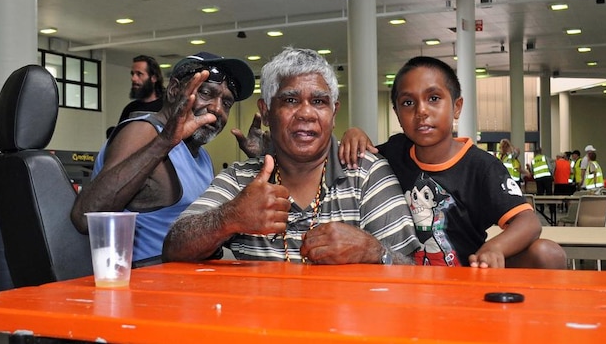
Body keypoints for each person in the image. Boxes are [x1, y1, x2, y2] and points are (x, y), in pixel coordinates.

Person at [162, 47, 418, 265]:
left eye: (319, 102)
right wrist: (230, 218)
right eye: (291, 100)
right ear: (265, 111)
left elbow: (413, 271)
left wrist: (374, 251)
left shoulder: (366, 174)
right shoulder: (242, 180)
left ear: (333, 112)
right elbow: (174, 248)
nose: (306, 114)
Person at [338, 56, 566, 269]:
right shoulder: (395, 152)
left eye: (434, 98)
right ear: (396, 112)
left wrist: (495, 247)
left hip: (466, 277)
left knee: (547, 252)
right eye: (408, 103)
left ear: (457, 107)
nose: (421, 111)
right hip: (405, 280)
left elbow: (528, 222)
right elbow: (362, 154)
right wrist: (354, 133)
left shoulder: (481, 166)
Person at [71, 52, 256, 263]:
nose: (217, 109)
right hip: (143, 284)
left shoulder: (201, 155)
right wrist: (164, 141)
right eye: (206, 93)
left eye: (227, 103)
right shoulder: (144, 132)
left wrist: (262, 163)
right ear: (175, 89)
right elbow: (85, 216)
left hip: (190, 280)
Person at [118, 55, 165, 124]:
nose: (133, 79)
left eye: (139, 74)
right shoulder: (130, 109)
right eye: (132, 74)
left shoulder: (166, 107)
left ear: (154, 78)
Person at [529, 147, 555, 222]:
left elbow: (532, 170)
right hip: (547, 177)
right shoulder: (544, 157)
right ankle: (551, 209)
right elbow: (550, 167)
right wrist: (552, 175)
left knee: (540, 194)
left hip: (538, 179)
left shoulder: (533, 160)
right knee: (549, 193)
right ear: (541, 151)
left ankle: (541, 209)